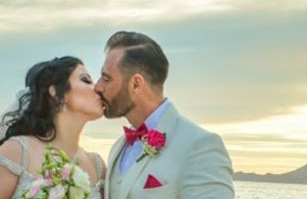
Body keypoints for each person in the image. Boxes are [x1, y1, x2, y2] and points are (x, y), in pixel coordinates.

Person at [94, 31, 234, 199]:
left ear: (136, 84)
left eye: (106, 79)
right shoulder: (118, 147)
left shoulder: (199, 145)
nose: (98, 87)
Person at [0, 56, 106, 199]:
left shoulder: (97, 166)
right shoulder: (17, 152)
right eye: (86, 80)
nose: (98, 88)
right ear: (56, 93)